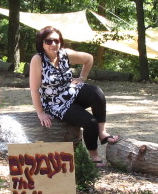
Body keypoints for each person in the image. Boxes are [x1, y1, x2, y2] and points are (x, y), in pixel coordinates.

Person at [29, 25, 119, 165]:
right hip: (54, 103)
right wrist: (40, 113)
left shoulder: (65, 53)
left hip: (70, 91)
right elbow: (34, 89)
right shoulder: (38, 59)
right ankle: (94, 155)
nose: (53, 44)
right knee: (90, 122)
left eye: (56, 41)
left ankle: (102, 133)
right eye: (48, 41)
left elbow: (89, 59)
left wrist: (82, 78)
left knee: (96, 92)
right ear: (42, 43)